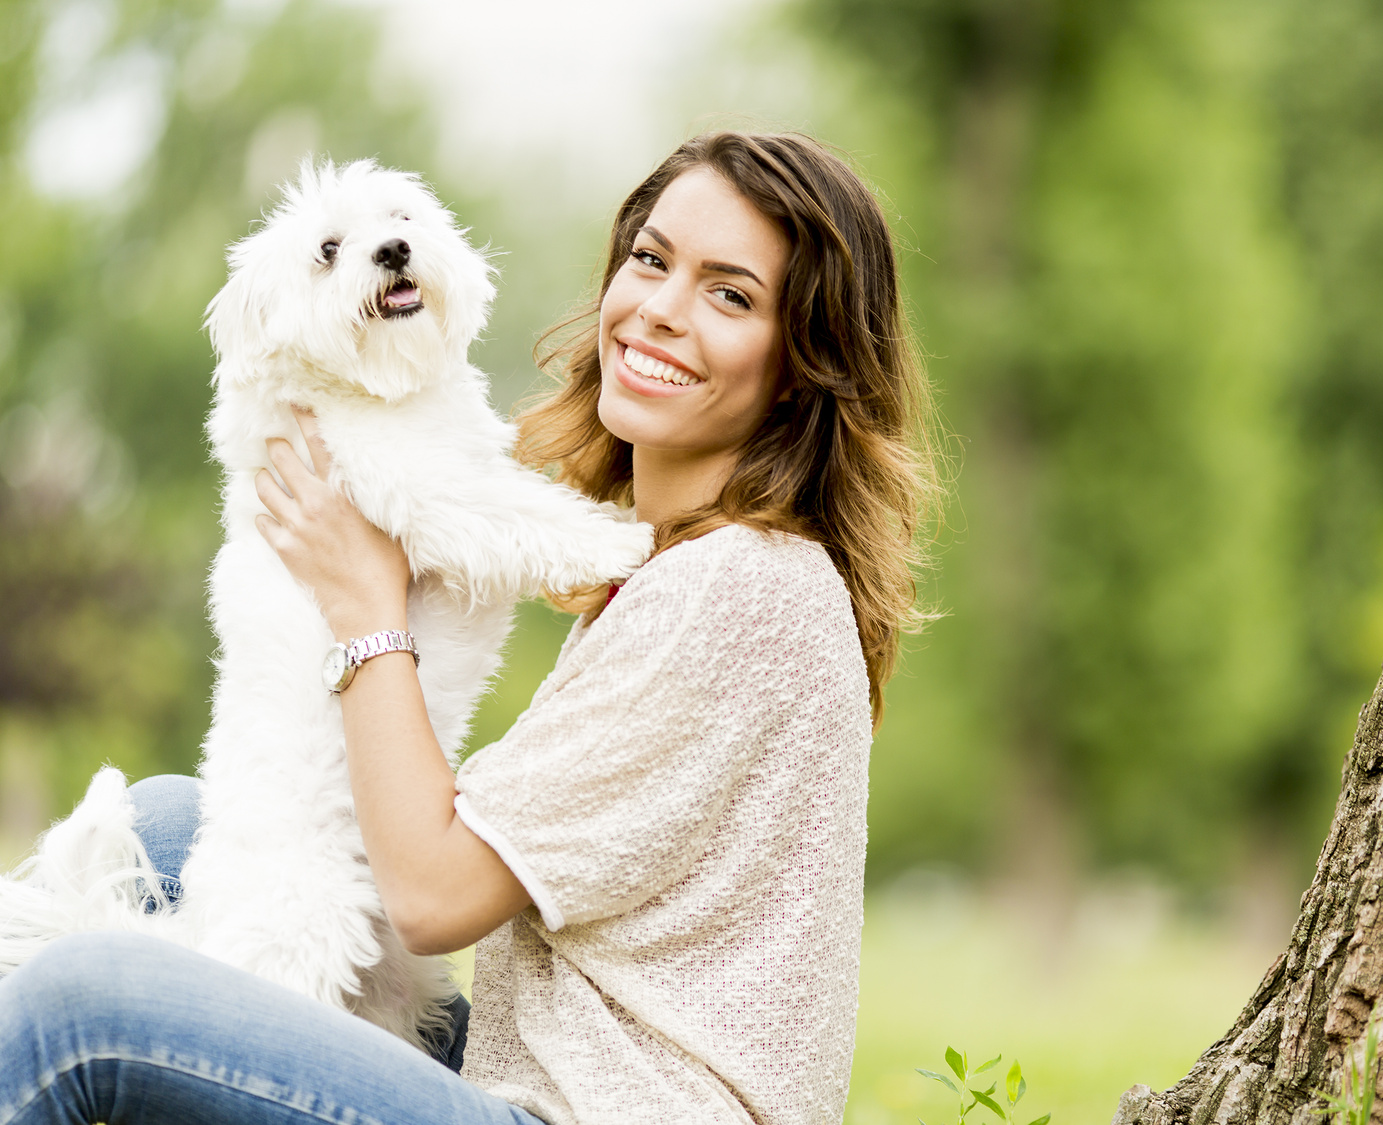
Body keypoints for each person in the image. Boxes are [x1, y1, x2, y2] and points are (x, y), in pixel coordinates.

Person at [0, 131, 936, 1125]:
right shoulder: (692, 563)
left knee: (81, 1005)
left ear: (800, 367)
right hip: (535, 1067)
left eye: (729, 294)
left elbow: (435, 896)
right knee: (165, 821)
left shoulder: (734, 589)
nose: (659, 310)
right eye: (651, 260)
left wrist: (364, 604)